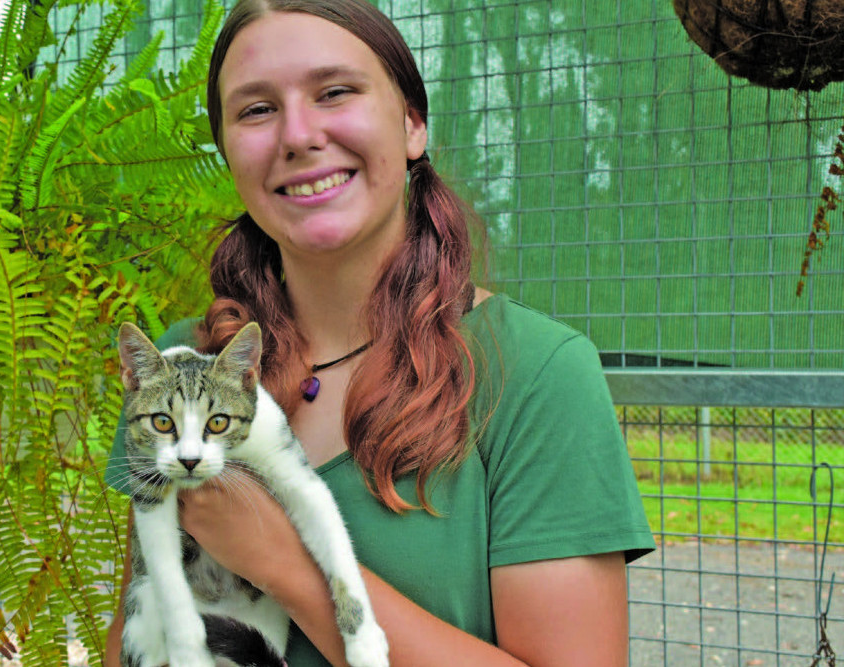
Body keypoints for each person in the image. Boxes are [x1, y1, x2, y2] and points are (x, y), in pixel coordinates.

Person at [104, 0, 656, 665]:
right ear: (227, 154)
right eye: (256, 109)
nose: (298, 135)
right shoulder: (186, 361)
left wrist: (291, 566)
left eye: (334, 92)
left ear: (412, 124)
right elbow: (139, 629)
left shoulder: (538, 372)